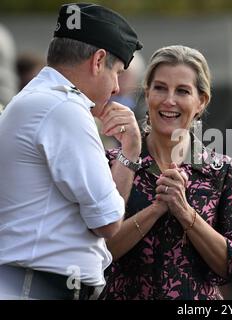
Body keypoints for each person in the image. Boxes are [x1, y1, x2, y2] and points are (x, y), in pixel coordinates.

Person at [0, 3, 143, 300]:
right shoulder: (64, 108)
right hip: (40, 285)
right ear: (98, 60)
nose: (117, 87)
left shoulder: (36, 99)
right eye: (116, 72)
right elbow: (108, 222)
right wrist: (130, 150)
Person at [100, 45, 232, 300]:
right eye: (160, 88)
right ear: (147, 93)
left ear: (201, 101)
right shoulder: (113, 163)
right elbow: (97, 253)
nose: (169, 100)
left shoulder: (222, 170)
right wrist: (156, 209)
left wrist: (184, 211)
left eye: (182, 91)